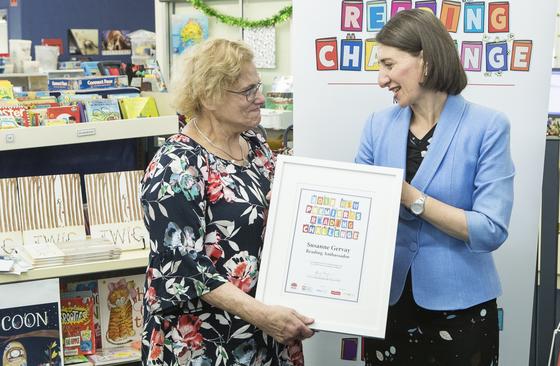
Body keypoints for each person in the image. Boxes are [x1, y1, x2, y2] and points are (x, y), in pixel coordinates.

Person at [140, 38, 314, 366]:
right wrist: (262, 314)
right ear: (209, 96)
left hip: (266, 331)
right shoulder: (177, 164)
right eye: (248, 91)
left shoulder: (255, 145)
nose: (260, 98)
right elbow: (183, 268)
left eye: (257, 87)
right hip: (204, 341)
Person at [355, 9, 515, 366]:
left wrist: (410, 198)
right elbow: (358, 208)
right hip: (389, 306)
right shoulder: (377, 126)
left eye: (389, 64)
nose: (381, 80)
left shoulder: (488, 127)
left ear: (425, 61)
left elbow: (490, 230)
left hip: (461, 311)